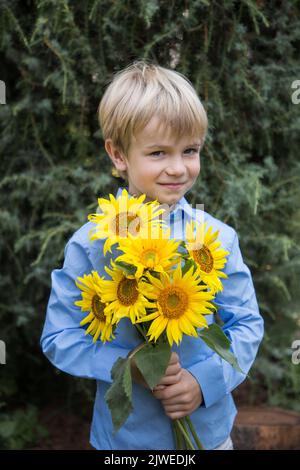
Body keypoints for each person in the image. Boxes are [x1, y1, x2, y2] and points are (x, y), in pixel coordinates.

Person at [40, 60, 264, 451]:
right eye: (158, 153)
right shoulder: (92, 243)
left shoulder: (214, 239)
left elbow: (245, 325)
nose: (178, 168)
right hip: (125, 443)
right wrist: (129, 367)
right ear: (118, 154)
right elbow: (60, 337)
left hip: (207, 437)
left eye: (190, 150)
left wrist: (202, 381)